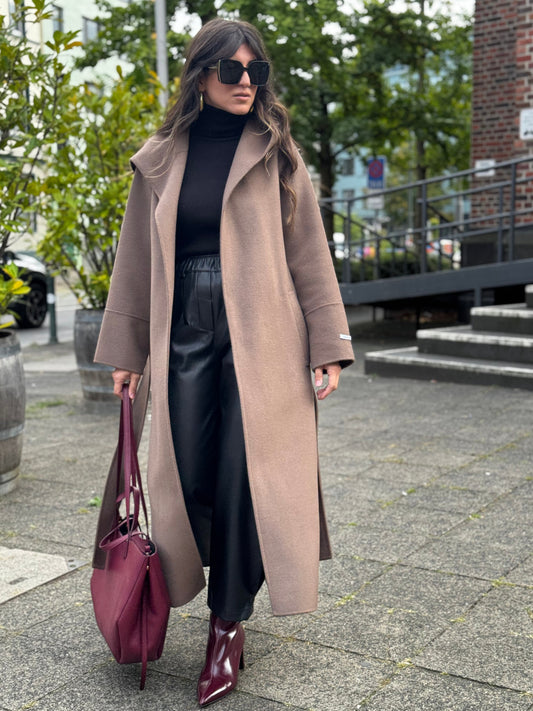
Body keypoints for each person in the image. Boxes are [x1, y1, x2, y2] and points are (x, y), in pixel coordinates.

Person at [92, 17, 354, 707]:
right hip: (183, 329)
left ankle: (226, 624)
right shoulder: (159, 158)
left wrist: (328, 343)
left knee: (246, 474)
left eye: (255, 71)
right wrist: (126, 351)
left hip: (264, 333)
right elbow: (135, 259)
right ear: (200, 76)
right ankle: (210, 588)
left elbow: (309, 253)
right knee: (189, 471)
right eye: (231, 71)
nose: (245, 83)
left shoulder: (276, 153)